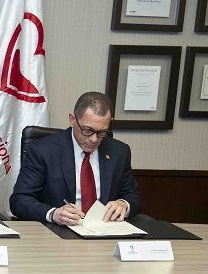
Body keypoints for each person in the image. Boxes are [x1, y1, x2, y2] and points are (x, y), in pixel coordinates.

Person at [10, 91, 142, 225]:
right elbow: (19, 200)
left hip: (104, 229)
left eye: (102, 132)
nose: (94, 139)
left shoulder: (119, 152)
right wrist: (53, 214)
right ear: (72, 119)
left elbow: (133, 196)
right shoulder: (42, 151)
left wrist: (123, 204)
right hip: (60, 230)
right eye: (87, 130)